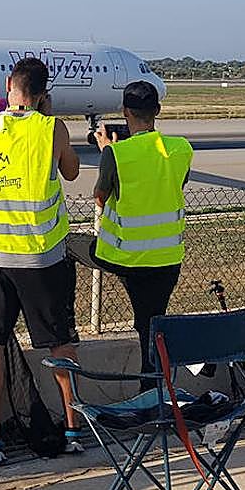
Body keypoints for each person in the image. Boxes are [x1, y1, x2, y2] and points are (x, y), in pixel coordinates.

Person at [0, 57, 84, 465]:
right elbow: (70, 172)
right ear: (44, 93)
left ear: (10, 86)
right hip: (41, 257)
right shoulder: (53, 129)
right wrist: (45, 120)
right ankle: (72, 430)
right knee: (59, 344)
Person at [86, 81, 192, 381]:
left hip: (127, 258)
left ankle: (153, 392)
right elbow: (175, 184)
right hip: (168, 259)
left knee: (69, 248)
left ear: (124, 111)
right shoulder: (181, 148)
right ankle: (159, 382)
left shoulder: (116, 155)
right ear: (157, 111)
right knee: (150, 321)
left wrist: (108, 151)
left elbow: (100, 196)